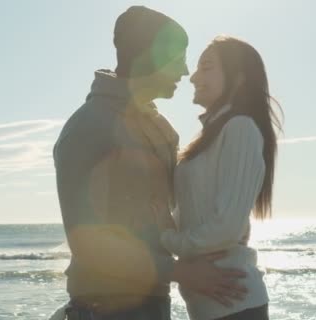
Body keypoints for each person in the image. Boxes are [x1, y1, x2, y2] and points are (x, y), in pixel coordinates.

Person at [51, 7, 247, 320]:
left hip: (154, 304)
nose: (185, 71)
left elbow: (171, 217)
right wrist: (182, 272)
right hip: (102, 309)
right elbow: (87, 242)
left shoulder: (164, 130)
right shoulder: (87, 127)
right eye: (180, 57)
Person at [157, 35, 282, 320]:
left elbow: (226, 227)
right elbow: (194, 211)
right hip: (214, 307)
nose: (193, 77)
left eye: (207, 67)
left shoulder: (240, 128)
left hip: (235, 304)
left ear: (237, 79)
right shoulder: (211, 134)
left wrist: (166, 240)